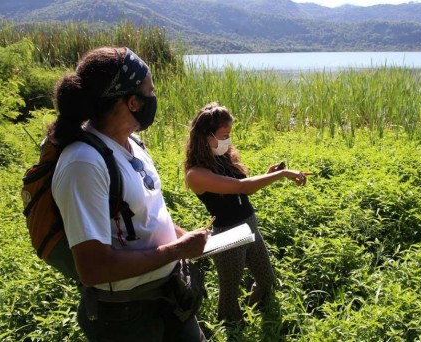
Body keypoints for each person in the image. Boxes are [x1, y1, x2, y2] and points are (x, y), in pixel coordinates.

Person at [50, 46, 210, 341]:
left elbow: (145, 212)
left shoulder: (131, 143)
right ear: (132, 102)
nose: (154, 98)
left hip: (170, 295)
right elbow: (93, 267)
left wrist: (180, 235)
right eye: (150, 91)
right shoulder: (83, 163)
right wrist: (177, 250)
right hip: (127, 315)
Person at [183, 102, 310, 326]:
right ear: (206, 136)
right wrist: (282, 175)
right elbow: (243, 188)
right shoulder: (196, 174)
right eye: (224, 135)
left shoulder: (220, 158)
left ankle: (254, 309)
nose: (228, 141)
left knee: (266, 279)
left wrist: (266, 175)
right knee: (229, 294)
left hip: (249, 225)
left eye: (229, 135)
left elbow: (239, 187)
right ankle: (231, 327)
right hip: (229, 233)